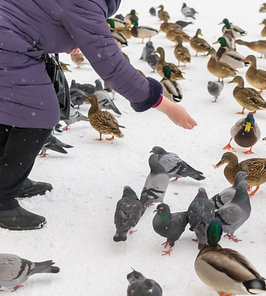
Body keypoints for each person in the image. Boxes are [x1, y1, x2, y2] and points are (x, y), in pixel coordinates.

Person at [0, 0, 198, 230]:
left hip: (10, 38)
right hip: (8, 45)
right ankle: (3, 200)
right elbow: (112, 66)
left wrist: (64, 33)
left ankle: (7, 177)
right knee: (38, 114)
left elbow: (38, 11)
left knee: (14, 109)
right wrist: (165, 105)